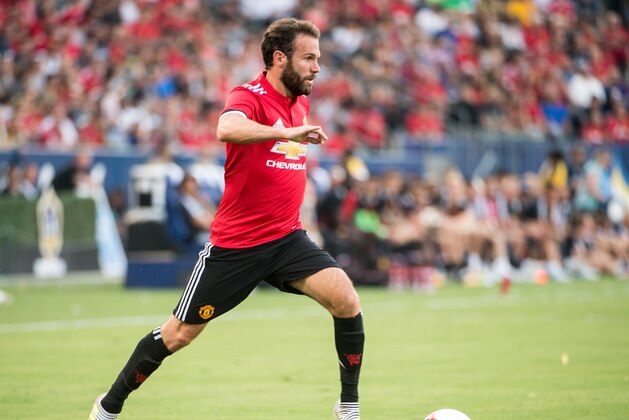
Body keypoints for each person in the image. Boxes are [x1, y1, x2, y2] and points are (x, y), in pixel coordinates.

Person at [89, 18, 364, 420]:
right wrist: (284, 134)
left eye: (318, 58)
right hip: (237, 247)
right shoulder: (248, 94)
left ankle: (348, 406)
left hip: (287, 239)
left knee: (346, 299)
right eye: (309, 58)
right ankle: (108, 407)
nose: (317, 67)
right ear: (279, 58)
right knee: (179, 334)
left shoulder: (300, 102)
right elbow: (226, 127)